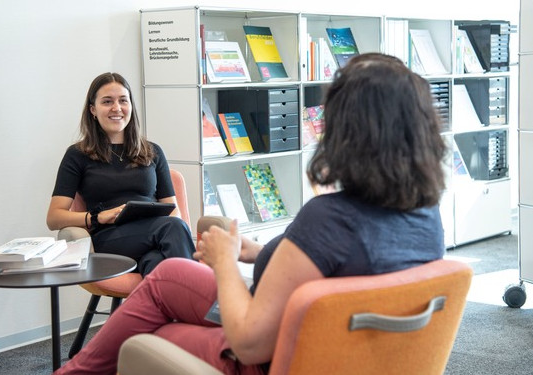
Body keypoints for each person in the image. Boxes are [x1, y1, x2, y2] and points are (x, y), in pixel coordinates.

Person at [53, 53, 447, 375]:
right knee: (172, 271)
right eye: (107, 101)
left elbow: (250, 343)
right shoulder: (426, 219)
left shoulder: (328, 218)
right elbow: (329, 264)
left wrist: (224, 262)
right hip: (345, 349)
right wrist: (255, 251)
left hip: (263, 353)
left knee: (161, 305)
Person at [46, 72, 195, 276]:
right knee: (173, 228)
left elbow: (173, 210)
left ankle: (165, 307)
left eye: (123, 101)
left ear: (131, 107)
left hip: (155, 235)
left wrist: (167, 222)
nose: (117, 108)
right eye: (107, 102)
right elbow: (54, 218)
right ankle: (202, 302)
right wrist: (97, 217)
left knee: (156, 262)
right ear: (93, 110)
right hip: (110, 239)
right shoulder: (77, 155)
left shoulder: (153, 151)